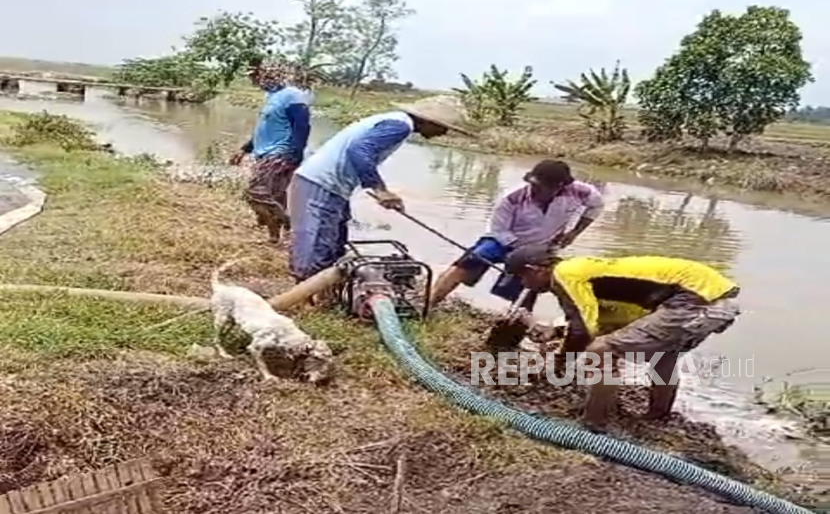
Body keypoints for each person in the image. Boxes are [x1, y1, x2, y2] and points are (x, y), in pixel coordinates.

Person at [504, 246, 740, 429]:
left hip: (691, 297)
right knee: (663, 355)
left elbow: (583, 330)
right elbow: (601, 319)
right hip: (715, 297)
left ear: (535, 269)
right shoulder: (587, 273)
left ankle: (592, 424)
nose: (525, 285)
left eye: (522, 278)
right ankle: (658, 416)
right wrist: (557, 331)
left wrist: (559, 365)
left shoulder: (564, 274)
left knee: (601, 351)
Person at [288, 96, 474, 281]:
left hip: (329, 185)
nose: (443, 133)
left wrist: (381, 189)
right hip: (321, 184)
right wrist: (379, 189)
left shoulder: (394, 121)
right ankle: (303, 297)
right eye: (443, 127)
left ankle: (318, 294)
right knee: (317, 245)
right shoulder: (400, 125)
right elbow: (359, 150)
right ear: (429, 121)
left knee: (334, 243)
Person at [430, 160, 603, 310]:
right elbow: (498, 230)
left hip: (541, 247)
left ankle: (514, 326)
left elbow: (597, 206)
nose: (534, 188)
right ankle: (429, 303)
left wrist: (574, 233)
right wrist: (518, 252)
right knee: (468, 262)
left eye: (540, 186)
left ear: (559, 187)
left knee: (531, 286)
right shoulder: (512, 197)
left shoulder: (581, 192)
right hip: (502, 241)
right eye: (533, 183)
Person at [230, 59, 312, 243]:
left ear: (270, 74)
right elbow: (265, 128)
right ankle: (275, 238)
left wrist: (294, 155)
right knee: (275, 196)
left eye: (256, 77)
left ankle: (290, 223)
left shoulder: (293, 96)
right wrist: (244, 149)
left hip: (280, 153)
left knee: (254, 193)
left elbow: (303, 127)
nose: (254, 81)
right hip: (264, 152)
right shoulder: (270, 97)